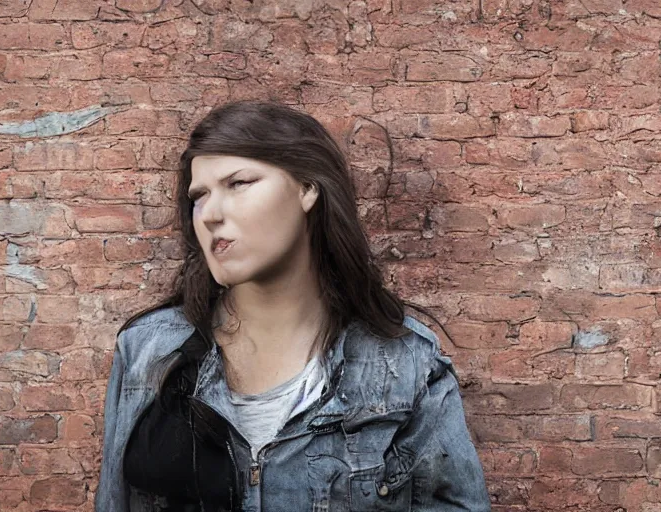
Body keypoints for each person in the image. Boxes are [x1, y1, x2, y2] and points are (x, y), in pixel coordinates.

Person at [95, 100, 491, 511]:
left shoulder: (407, 363)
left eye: (239, 183)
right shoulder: (147, 350)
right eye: (199, 195)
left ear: (307, 189)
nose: (211, 214)